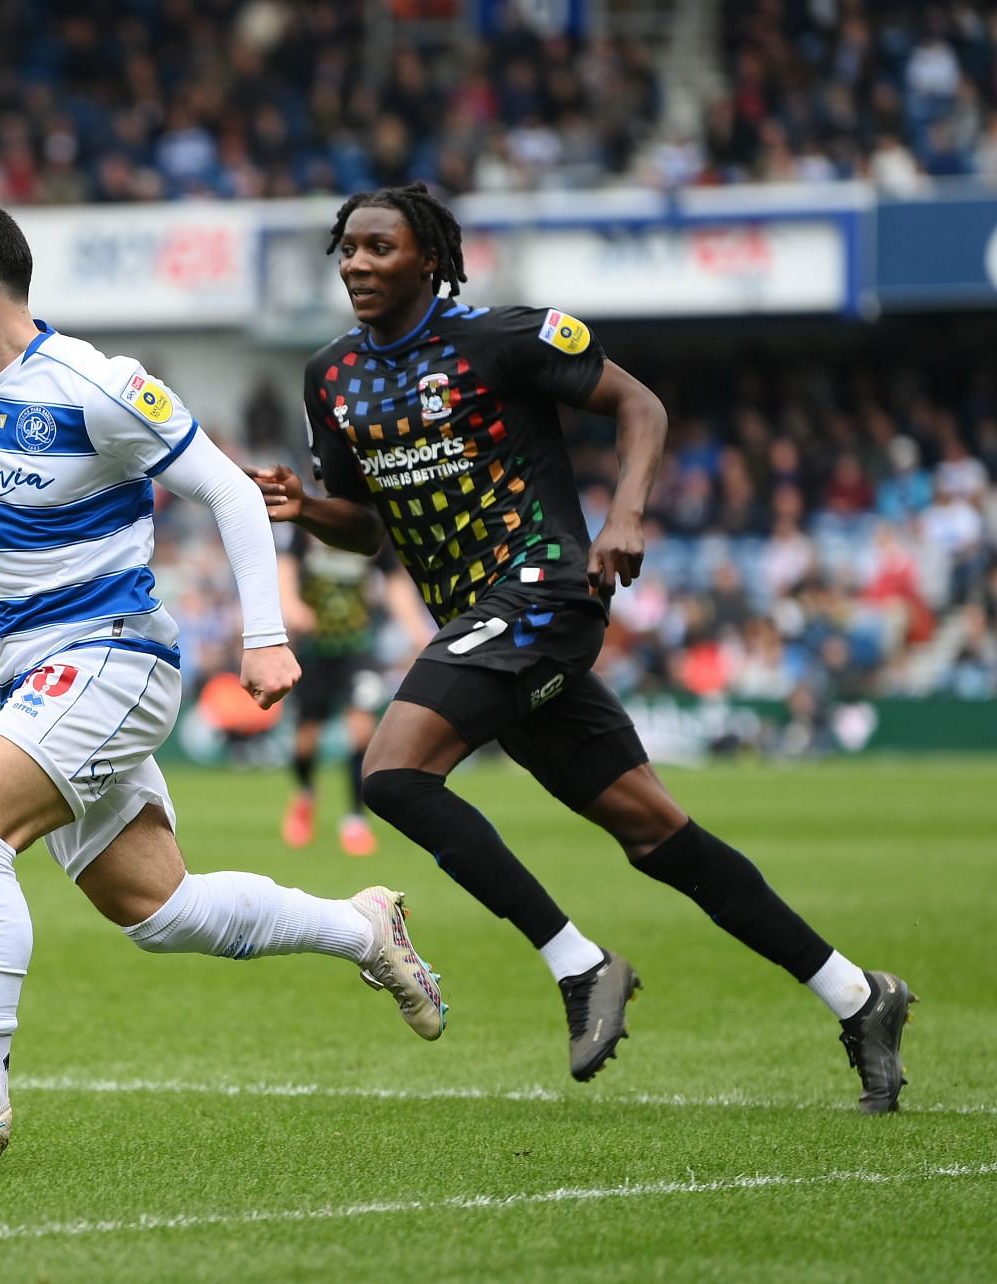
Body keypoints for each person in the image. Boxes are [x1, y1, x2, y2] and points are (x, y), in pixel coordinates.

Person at [0, 198, 446, 1161]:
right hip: (37, 674)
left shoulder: (100, 386)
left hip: (113, 654)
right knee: (161, 911)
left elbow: (224, 487)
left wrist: (265, 637)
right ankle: (361, 929)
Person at [250, 183, 914, 1113]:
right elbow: (366, 529)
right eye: (347, 250)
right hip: (476, 623)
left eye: (378, 248)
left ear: (429, 260)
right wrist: (305, 506)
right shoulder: (333, 378)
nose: (356, 264)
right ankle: (858, 995)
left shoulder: (504, 340)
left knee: (392, 775)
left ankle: (579, 965)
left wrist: (625, 513)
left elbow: (639, 405)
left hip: (543, 592)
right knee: (655, 834)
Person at [276, 528, 428, 855]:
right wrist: (290, 605)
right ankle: (305, 794)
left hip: (357, 647)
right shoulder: (311, 528)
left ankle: (355, 821)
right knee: (306, 739)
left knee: (361, 731)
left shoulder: (370, 529)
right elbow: (286, 567)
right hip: (314, 648)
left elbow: (395, 583)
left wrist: (418, 632)